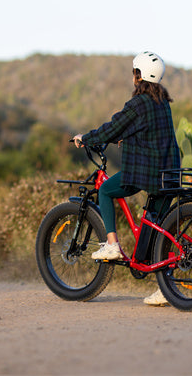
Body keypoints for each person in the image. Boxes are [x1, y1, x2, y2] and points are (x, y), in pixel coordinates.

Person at [72, 51, 180, 307]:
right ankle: (167, 288)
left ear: (138, 76)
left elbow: (111, 127)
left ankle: (112, 245)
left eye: (134, 71)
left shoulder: (138, 104)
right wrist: (126, 137)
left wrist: (85, 138)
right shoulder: (162, 101)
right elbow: (150, 133)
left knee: (107, 190)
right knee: (158, 227)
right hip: (170, 172)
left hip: (147, 172)